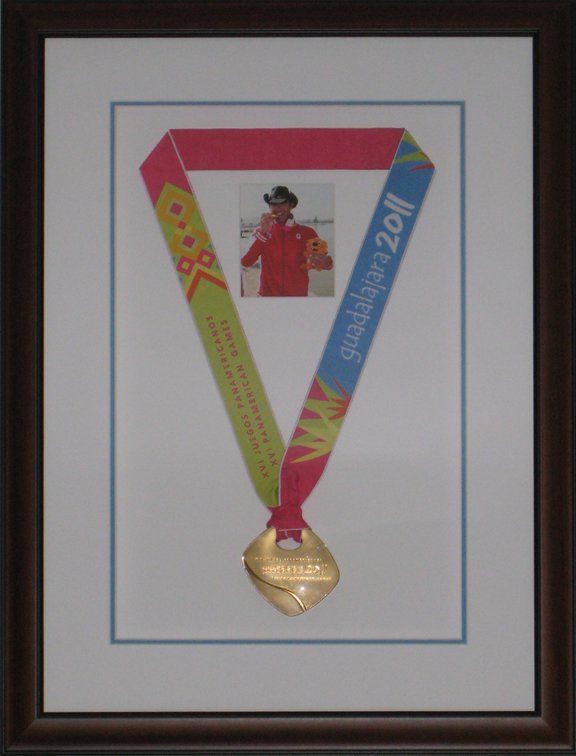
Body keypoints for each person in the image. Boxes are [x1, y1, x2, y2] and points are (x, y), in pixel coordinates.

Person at [241, 186, 333, 297]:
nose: (278, 207)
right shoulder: (260, 232)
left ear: (291, 205)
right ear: (269, 206)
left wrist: (324, 262)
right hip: (267, 298)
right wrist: (263, 233)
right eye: (274, 204)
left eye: (283, 203)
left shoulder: (308, 233)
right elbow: (245, 262)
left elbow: (326, 263)